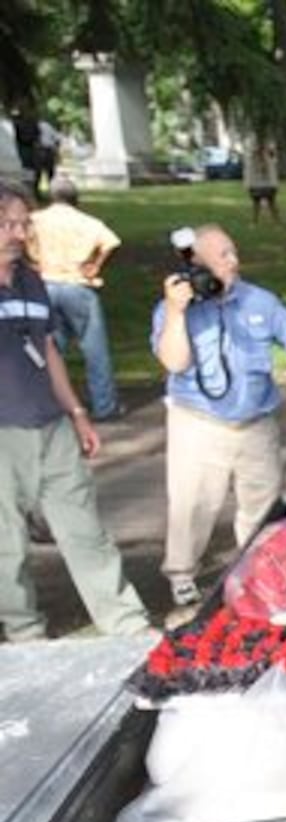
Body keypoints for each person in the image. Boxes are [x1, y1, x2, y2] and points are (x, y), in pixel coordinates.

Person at [0, 181, 150, 639]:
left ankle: (127, 626)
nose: (18, 234)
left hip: (51, 425)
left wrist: (79, 413)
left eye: (24, 223)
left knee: (85, 530)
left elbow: (47, 349)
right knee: (7, 546)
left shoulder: (31, 281)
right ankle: (24, 633)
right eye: (7, 224)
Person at [151, 225, 286, 613]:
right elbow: (174, 361)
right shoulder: (175, 309)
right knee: (193, 505)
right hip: (198, 423)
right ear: (196, 265)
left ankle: (257, 571)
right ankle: (182, 574)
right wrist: (175, 312)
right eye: (223, 256)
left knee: (263, 505)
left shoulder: (259, 301)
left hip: (255, 422)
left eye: (233, 252)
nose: (233, 261)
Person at [29, 178, 125, 420]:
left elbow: (22, 240)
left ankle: (54, 404)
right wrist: (95, 265)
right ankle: (105, 406)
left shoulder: (36, 220)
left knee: (51, 349)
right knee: (94, 349)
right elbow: (112, 241)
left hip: (45, 283)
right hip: (78, 284)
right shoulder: (87, 222)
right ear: (75, 198)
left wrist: (32, 262)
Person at [244, 136, 280, 225]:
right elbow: (249, 154)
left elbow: (273, 154)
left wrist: (267, 151)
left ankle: (277, 221)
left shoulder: (269, 142)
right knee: (256, 203)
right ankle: (254, 221)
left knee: (271, 202)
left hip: (268, 180)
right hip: (256, 180)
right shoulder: (251, 142)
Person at [34, 118, 60, 196]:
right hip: (49, 150)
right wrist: (56, 150)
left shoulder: (34, 126)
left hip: (39, 150)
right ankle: (52, 193)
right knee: (50, 173)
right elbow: (57, 139)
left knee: (38, 173)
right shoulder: (48, 126)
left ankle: (37, 193)